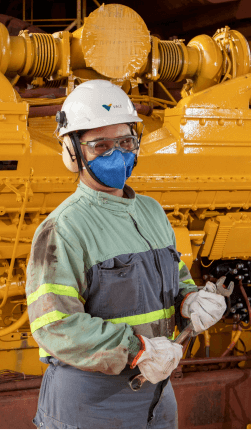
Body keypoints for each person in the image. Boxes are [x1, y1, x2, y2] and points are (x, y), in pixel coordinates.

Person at [26, 80, 226, 430]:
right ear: (73, 152)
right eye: (100, 145)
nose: (116, 154)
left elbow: (175, 279)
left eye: (124, 142)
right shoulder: (62, 229)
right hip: (91, 401)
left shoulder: (151, 212)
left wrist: (190, 301)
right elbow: (55, 325)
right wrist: (138, 349)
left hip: (157, 395)